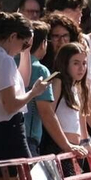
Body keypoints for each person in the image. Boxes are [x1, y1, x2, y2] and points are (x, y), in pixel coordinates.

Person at [0, 13, 55, 159]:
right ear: (13, 37)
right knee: (24, 179)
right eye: (24, 44)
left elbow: (19, 83)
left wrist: (25, 54)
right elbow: (10, 105)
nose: (23, 49)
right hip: (9, 130)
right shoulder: (4, 60)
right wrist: (33, 93)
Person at [40, 42, 91, 155]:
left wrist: (86, 142)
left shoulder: (78, 87)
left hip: (76, 148)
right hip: (59, 147)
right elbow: (49, 114)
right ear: (65, 63)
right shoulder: (58, 81)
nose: (81, 68)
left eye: (84, 63)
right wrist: (66, 144)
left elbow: (80, 120)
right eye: (76, 63)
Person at [23, 20, 54, 153]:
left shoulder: (10, 62)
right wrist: (67, 145)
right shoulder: (41, 70)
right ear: (43, 44)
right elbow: (46, 112)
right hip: (29, 139)